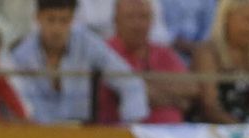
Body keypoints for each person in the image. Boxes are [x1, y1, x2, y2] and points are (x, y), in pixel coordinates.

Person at [8, 0, 149, 124]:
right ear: (37, 18)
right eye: (51, 19)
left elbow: (131, 83)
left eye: (64, 20)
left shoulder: (87, 43)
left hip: (83, 133)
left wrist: (128, 127)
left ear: (73, 19)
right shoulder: (21, 55)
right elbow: (18, 105)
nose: (57, 28)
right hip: (36, 134)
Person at [100, 0, 192, 123]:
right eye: (130, 17)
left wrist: (145, 85)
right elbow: (124, 90)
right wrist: (176, 100)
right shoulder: (104, 52)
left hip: (172, 132)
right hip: (121, 131)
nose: (137, 25)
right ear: (116, 21)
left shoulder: (162, 52)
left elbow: (191, 88)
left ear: (152, 21)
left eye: (143, 17)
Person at [190, 0, 249, 122]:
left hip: (244, 126)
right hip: (214, 129)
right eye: (247, 19)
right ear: (226, 18)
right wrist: (240, 129)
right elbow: (209, 107)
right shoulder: (207, 53)